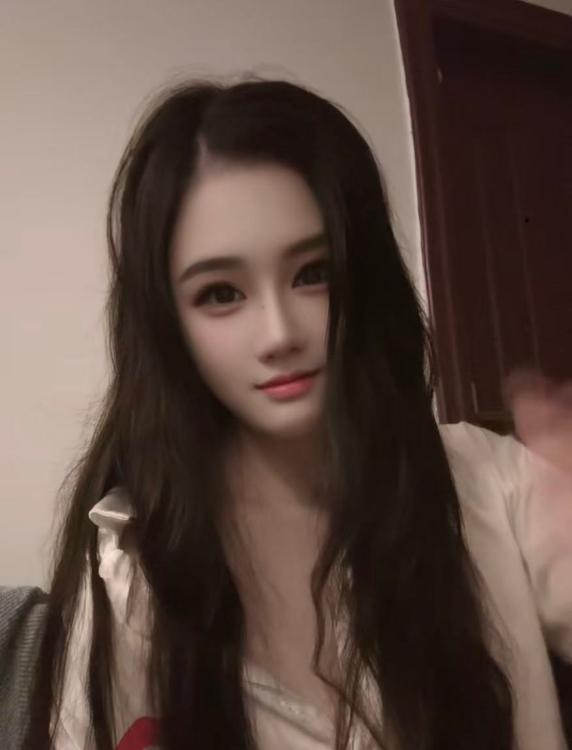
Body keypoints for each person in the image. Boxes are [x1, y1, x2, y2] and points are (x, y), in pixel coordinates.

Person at [0, 76, 571, 750]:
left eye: (312, 274)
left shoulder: (489, 482)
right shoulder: (133, 570)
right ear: (168, 324)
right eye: (221, 293)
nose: (278, 333)